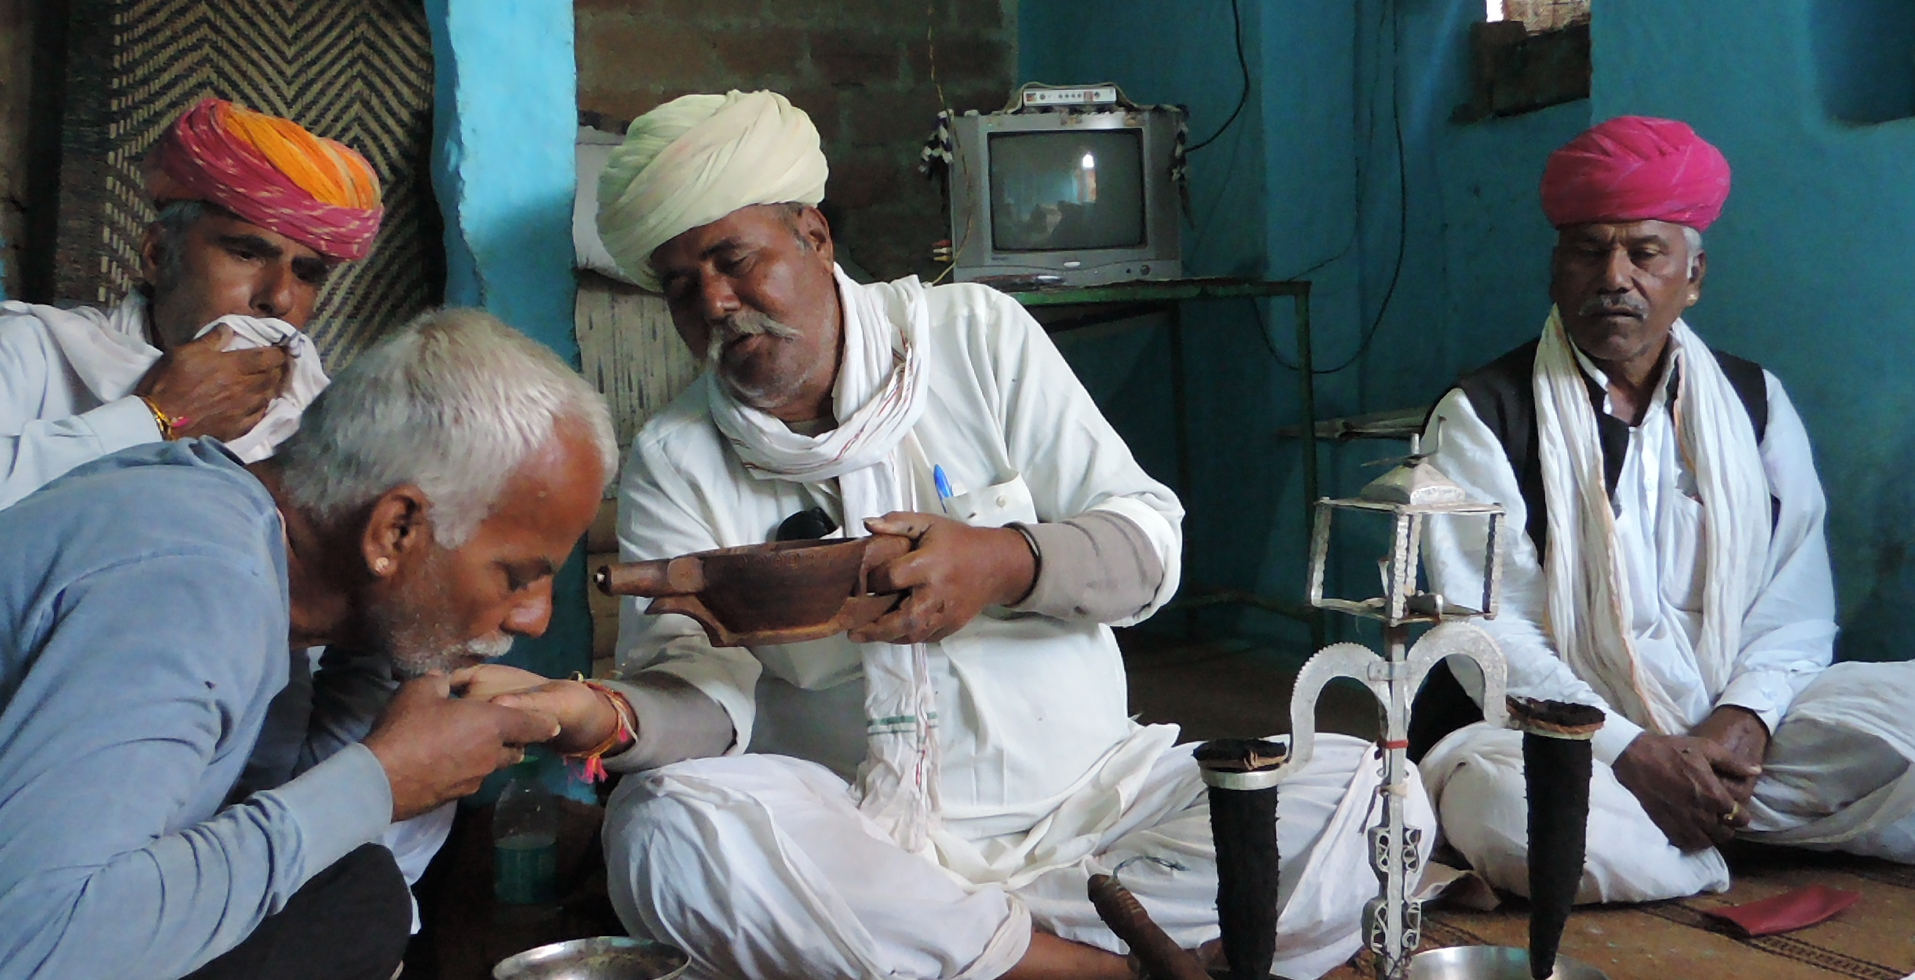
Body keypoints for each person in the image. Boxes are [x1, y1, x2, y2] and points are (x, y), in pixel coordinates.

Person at [461, 90, 1428, 980]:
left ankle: (977, 956)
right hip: (869, 846)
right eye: (679, 287)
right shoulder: (679, 455)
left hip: (1102, 808)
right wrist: (608, 717)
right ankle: (1115, 969)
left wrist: (1001, 562)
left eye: (734, 260)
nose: (713, 303)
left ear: (815, 234)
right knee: (669, 829)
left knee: (1378, 792)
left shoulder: (977, 337)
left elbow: (1147, 548)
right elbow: (707, 707)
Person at [0, 309, 619, 980]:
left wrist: (385, 670)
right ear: (394, 531)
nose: (532, 619)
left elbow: (250, 826)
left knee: (347, 892)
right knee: (352, 910)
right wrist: (379, 781)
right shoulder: (195, 585)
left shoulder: (261, 565)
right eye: (518, 576)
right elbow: (35, 942)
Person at [1415, 116, 1915, 904]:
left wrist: (1742, 720)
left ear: (1694, 275)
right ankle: (1715, 844)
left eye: (1644, 252)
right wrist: (1633, 752)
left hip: (1730, 725)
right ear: (1556, 271)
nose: (1614, 276)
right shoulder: (1484, 415)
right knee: (1514, 814)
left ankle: (1690, 820)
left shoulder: (1754, 403)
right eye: (1588, 251)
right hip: (1560, 737)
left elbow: (1795, 606)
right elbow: (1487, 636)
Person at [0, 96, 378, 510]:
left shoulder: (326, 429)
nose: (279, 298)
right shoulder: (30, 353)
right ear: (158, 255)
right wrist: (156, 418)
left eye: (306, 274)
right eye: (247, 255)